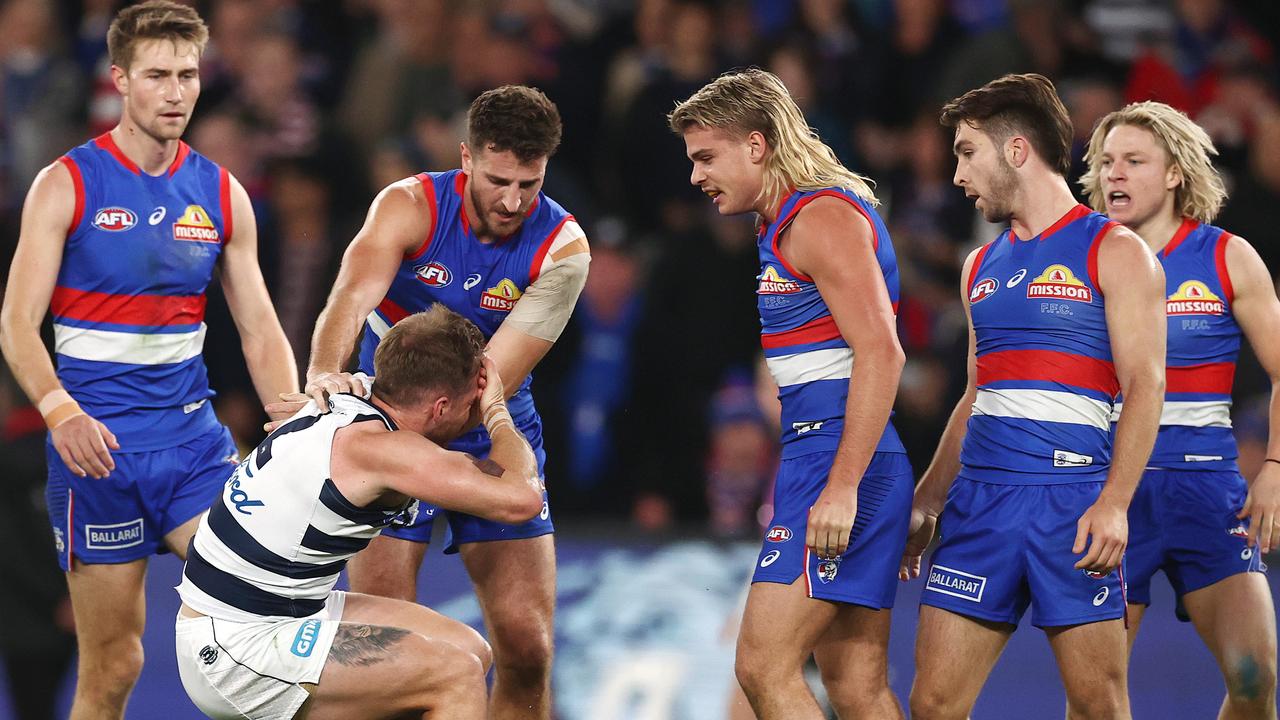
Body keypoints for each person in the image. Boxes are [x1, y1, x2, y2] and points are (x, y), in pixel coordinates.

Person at [0, 3, 296, 719]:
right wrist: (60, 411)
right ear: (121, 81)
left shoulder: (223, 194)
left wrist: (290, 416)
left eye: (188, 75)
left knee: (258, 624)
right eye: (157, 75)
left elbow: (258, 324)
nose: (175, 92)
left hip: (194, 449)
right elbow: (14, 323)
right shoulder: (66, 184)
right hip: (98, 455)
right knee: (114, 665)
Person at [295, 85, 588, 719]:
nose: (512, 201)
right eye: (498, 180)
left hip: (489, 418)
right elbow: (348, 299)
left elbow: (489, 379)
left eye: (529, 184)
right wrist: (323, 371)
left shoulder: (564, 250)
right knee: (390, 652)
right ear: (465, 158)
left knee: (528, 646)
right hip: (392, 420)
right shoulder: (407, 206)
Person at [899, 73, 1166, 720]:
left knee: (1098, 705)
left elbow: (1147, 385)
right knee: (933, 705)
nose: (957, 173)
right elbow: (975, 394)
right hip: (980, 507)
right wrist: (928, 501)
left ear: (1016, 150)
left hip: (1072, 508)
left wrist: (1115, 505)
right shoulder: (978, 267)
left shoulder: (1118, 251)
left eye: (967, 152)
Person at [669, 68, 911, 720]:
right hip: (828, 458)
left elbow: (883, 350)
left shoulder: (819, 218)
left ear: (756, 145)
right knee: (858, 688)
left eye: (706, 157)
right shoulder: (782, 225)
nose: (696, 176)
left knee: (761, 665)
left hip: (839, 463)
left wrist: (843, 484)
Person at [176, 305, 545, 720]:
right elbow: (523, 498)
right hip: (234, 648)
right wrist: (496, 410)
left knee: (471, 650)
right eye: (468, 407)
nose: (471, 417)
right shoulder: (381, 450)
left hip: (281, 608)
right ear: (440, 408)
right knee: (454, 675)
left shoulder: (349, 396)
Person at [1078, 100, 1278, 718]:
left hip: (1206, 490)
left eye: (1134, 161)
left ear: (1174, 174)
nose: (1115, 174)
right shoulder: (1080, 258)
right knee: (1094, 701)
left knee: (1255, 678)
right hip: (1112, 492)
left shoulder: (1226, 256)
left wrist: (1275, 464)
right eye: (1107, 162)